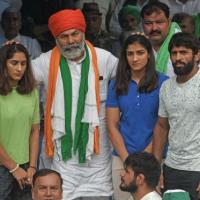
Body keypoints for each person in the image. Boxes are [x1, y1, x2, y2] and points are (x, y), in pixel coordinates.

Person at [31, 9, 118, 200]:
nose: (71, 41)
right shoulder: (44, 62)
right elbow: (16, 78)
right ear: (56, 39)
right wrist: (6, 54)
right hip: (63, 160)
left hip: (98, 160)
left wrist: (140, 42)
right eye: (64, 36)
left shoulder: (104, 58)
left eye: (75, 34)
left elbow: (133, 75)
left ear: (83, 33)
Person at [106, 34, 168, 200]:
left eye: (140, 53)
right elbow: (112, 125)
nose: (134, 58)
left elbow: (163, 125)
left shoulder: (164, 82)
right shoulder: (116, 83)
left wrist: (142, 160)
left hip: (155, 157)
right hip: (122, 158)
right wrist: (128, 161)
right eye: (130, 53)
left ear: (149, 54)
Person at [152, 32, 200, 200]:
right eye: (174, 53)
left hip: (197, 168)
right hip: (171, 168)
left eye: (184, 52)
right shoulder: (166, 86)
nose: (178, 57)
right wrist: (157, 168)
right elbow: (161, 127)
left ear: (197, 54)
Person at [0, 43, 40, 199]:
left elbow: (35, 130)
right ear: (3, 64)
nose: (19, 69)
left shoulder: (32, 92)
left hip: (25, 167)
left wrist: (32, 166)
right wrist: (13, 168)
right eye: (14, 63)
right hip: (4, 166)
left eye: (23, 64)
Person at [141, 1, 181, 77]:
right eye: (148, 23)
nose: (154, 28)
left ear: (169, 23)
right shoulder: (139, 44)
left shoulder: (183, 44)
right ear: (142, 24)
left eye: (159, 22)